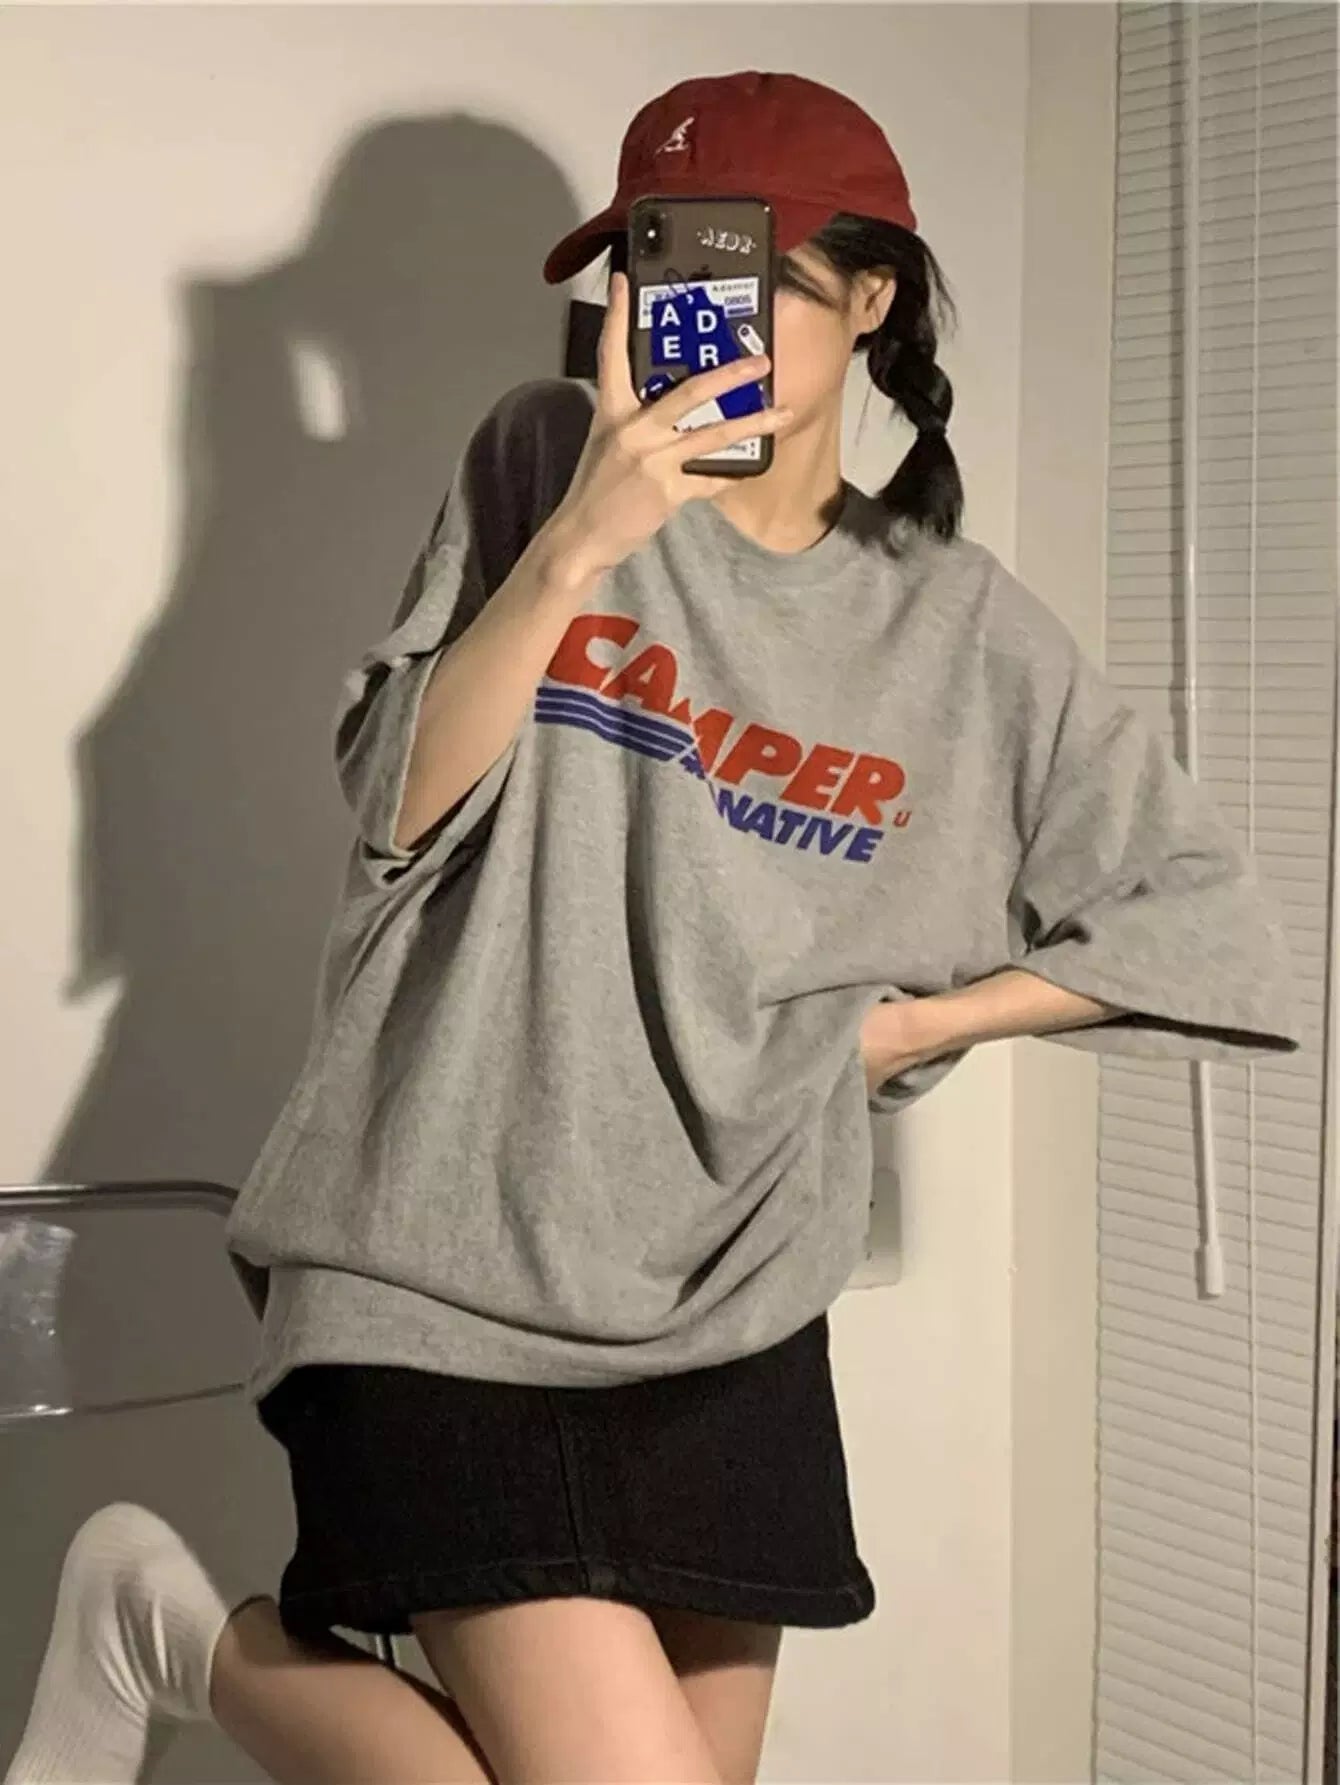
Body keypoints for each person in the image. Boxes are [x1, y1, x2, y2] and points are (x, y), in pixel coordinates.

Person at [6, 68, 1300, 1785]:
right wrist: (576, 551)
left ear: (873, 296)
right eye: (666, 268)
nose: (702, 317)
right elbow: (395, 809)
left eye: (755, 274)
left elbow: (1202, 921)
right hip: (441, 1260)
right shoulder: (540, 460)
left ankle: (162, 1618)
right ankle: (171, 1640)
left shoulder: (963, 633)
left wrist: (905, 1031)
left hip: (733, 1309)